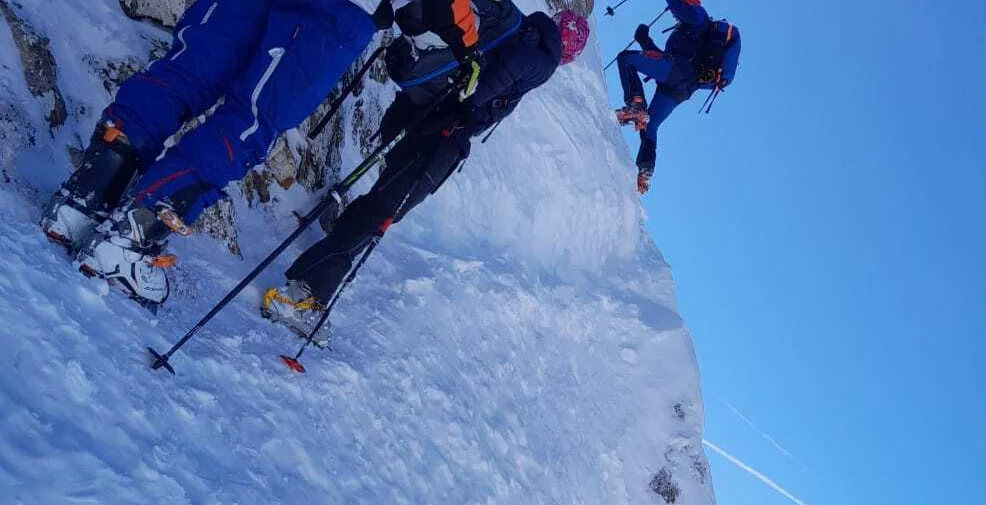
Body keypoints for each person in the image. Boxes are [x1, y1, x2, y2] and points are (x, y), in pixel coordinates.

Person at [40, 0, 486, 310]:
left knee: (187, 71)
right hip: (334, 11)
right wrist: (466, 48)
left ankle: (84, 198)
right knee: (252, 120)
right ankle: (129, 240)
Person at [261, 9, 590, 345]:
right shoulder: (543, 59)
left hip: (414, 108)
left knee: (379, 202)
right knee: (381, 214)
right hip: (439, 135)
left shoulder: (515, 26)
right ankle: (305, 294)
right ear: (569, 50)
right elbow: (499, 77)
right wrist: (464, 110)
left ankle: (332, 239)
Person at [614, 0, 740, 194]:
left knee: (626, 59)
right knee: (650, 125)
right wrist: (644, 40)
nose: (675, 16)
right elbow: (661, 58)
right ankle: (644, 172)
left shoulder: (699, 16)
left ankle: (636, 104)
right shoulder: (690, 33)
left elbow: (680, 10)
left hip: (676, 73)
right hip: (681, 88)